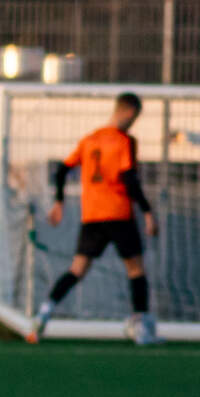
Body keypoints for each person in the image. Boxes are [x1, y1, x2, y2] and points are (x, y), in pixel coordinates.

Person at [32, 91, 162, 345]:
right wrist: (147, 211)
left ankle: (44, 312)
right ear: (129, 112)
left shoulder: (89, 140)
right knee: (136, 269)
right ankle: (141, 328)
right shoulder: (124, 141)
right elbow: (129, 179)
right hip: (118, 213)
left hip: (91, 216)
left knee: (77, 269)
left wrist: (59, 202)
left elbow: (62, 169)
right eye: (135, 117)